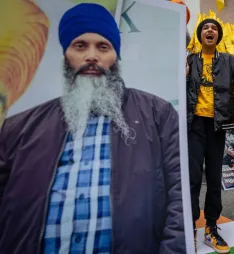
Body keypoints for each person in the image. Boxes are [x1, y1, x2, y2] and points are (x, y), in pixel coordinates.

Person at [0, 3, 185, 254]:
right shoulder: (18, 128)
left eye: (103, 47)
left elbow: (181, 199)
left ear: (116, 57)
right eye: (80, 46)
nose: (91, 56)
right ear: (65, 55)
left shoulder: (157, 114)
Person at [186, 18, 234, 253]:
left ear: (218, 36)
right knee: (193, 179)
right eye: (206, 28)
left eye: (214, 28)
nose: (210, 30)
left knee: (215, 180)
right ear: (200, 35)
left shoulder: (230, 61)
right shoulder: (188, 61)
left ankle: (210, 227)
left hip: (218, 127)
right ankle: (189, 229)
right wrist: (184, 73)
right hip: (194, 125)